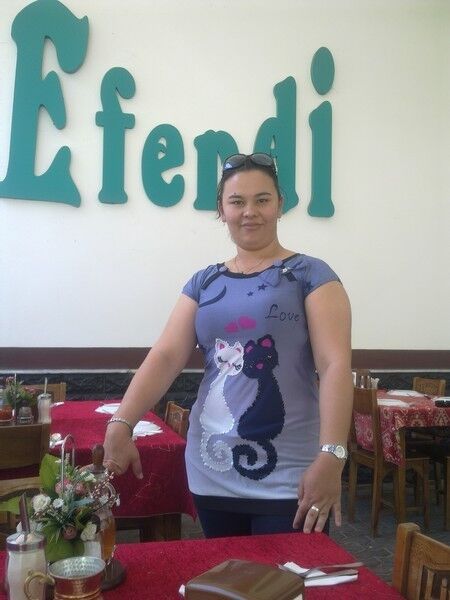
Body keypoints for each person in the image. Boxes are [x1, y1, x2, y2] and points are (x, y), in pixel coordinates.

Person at [103, 152, 353, 537]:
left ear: (280, 204)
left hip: (292, 476)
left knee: (288, 575)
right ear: (222, 210)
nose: (249, 212)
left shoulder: (310, 275)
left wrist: (332, 455)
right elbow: (166, 356)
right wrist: (122, 422)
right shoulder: (204, 282)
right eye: (237, 201)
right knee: (226, 572)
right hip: (211, 471)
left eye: (262, 200)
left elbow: (334, 365)